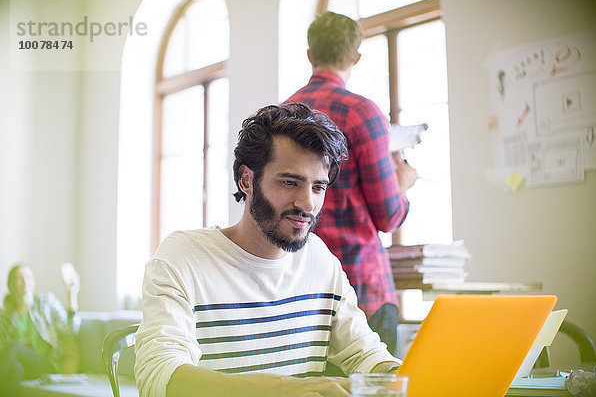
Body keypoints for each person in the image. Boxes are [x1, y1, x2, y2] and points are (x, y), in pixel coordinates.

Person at [134, 103, 402, 397]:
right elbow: (161, 379)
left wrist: (402, 378)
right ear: (246, 180)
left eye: (318, 188)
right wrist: (288, 389)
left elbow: (363, 352)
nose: (307, 203)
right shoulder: (183, 257)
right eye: (290, 182)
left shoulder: (319, 259)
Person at [286, 11, 418, 354]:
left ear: (310, 55)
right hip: (362, 287)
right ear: (356, 57)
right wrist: (402, 186)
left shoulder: (282, 114)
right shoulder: (363, 113)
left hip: (297, 288)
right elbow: (389, 217)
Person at [0, 263, 81, 395]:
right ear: (11, 285)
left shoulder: (46, 303)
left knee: (15, 346)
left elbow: (71, 331)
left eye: (29, 277)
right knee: (15, 370)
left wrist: (72, 296)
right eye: (20, 278)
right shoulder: (6, 316)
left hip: (47, 366)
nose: (26, 282)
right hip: (24, 368)